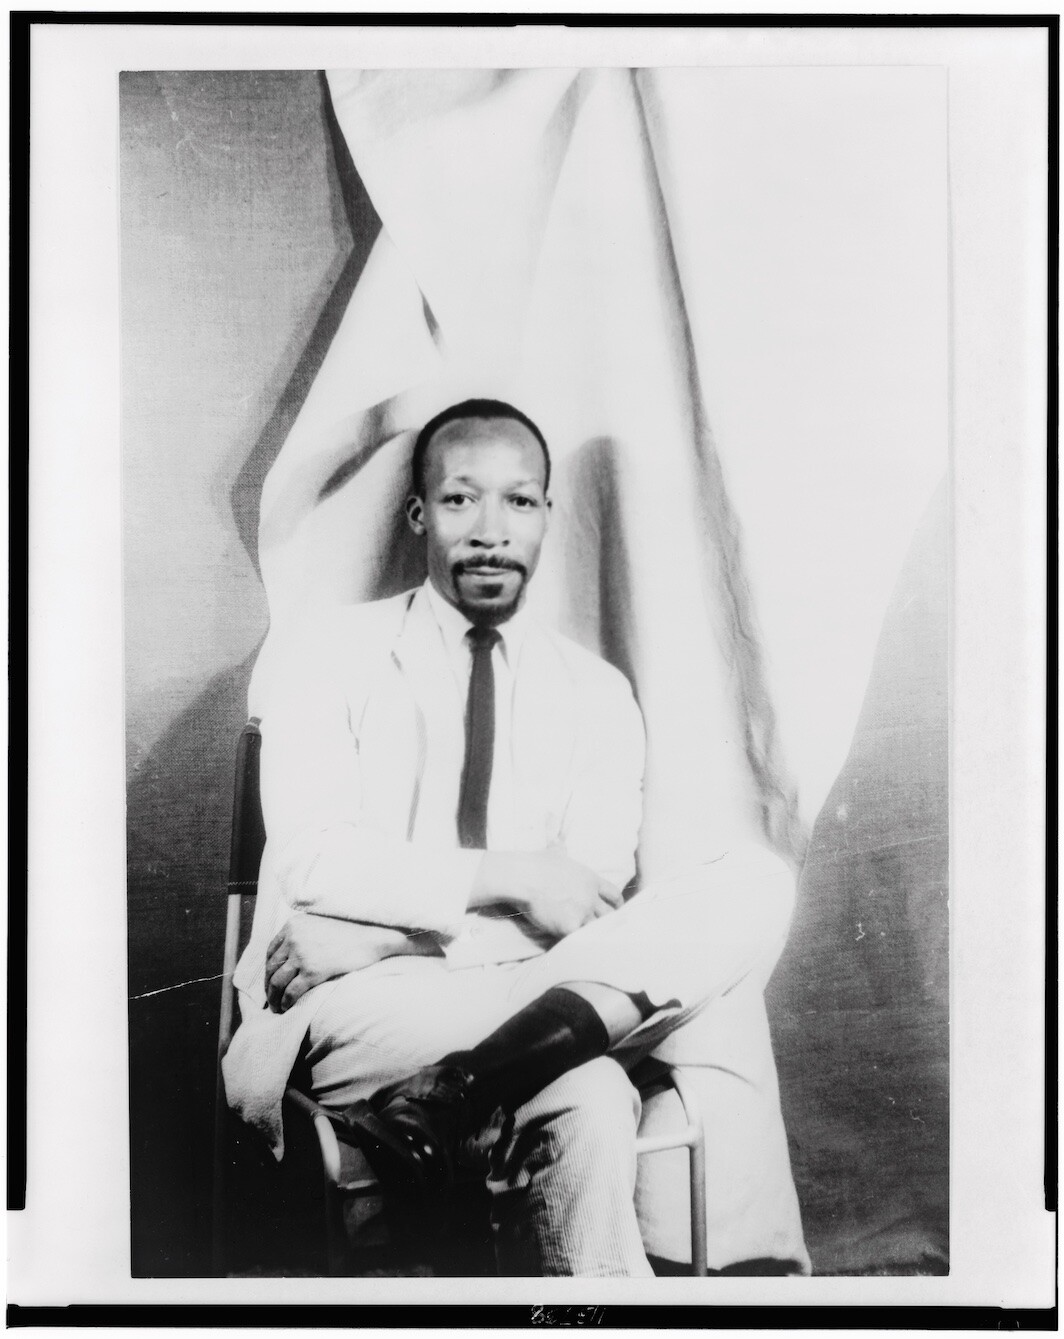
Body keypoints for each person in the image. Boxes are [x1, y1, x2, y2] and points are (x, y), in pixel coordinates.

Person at [223, 398, 802, 1276]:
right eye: (460, 500)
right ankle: (468, 1093)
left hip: (486, 983)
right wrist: (509, 875)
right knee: (598, 1072)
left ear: (546, 516)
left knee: (753, 885)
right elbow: (315, 860)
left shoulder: (596, 692)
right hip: (360, 1009)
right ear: (420, 513)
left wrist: (377, 931)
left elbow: (584, 901)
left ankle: (448, 1095)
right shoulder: (329, 652)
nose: (491, 531)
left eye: (519, 502)